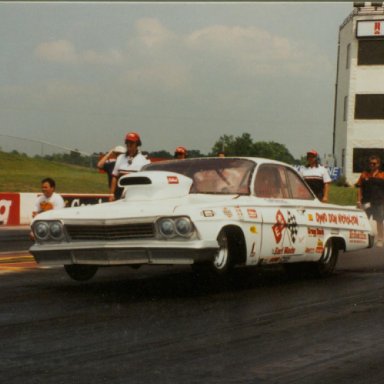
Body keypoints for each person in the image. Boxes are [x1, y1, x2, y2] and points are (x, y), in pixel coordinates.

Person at [110, 132, 150, 201]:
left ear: (137, 144)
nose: (128, 144)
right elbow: (114, 177)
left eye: (131, 142)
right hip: (119, 194)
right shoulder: (120, 157)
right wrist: (111, 194)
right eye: (127, 142)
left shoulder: (144, 160)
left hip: (135, 195)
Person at [356, 155, 384, 247]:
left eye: (374, 163)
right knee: (364, 221)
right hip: (366, 202)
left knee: (379, 221)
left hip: (379, 202)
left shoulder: (382, 175)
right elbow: (359, 187)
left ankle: (380, 239)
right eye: (370, 163)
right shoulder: (364, 174)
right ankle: (365, 239)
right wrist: (359, 200)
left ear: (378, 164)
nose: (371, 165)